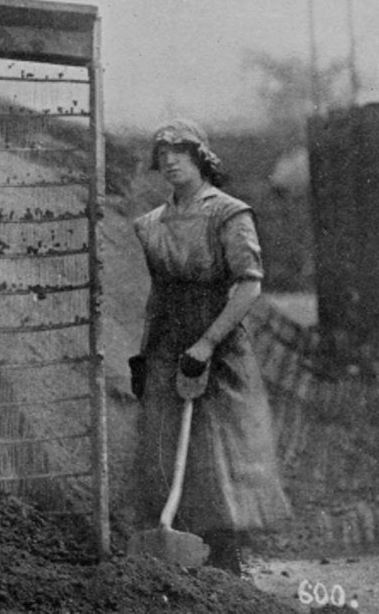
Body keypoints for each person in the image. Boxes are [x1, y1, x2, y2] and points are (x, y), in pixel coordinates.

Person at [131, 118, 291, 576]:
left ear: (201, 158)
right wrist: (145, 353)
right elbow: (159, 295)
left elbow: (248, 285)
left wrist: (206, 344)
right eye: (163, 155)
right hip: (167, 344)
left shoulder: (229, 214)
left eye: (180, 152)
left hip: (219, 344)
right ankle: (182, 562)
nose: (171, 162)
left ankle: (226, 562)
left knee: (219, 451)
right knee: (165, 446)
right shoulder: (151, 224)